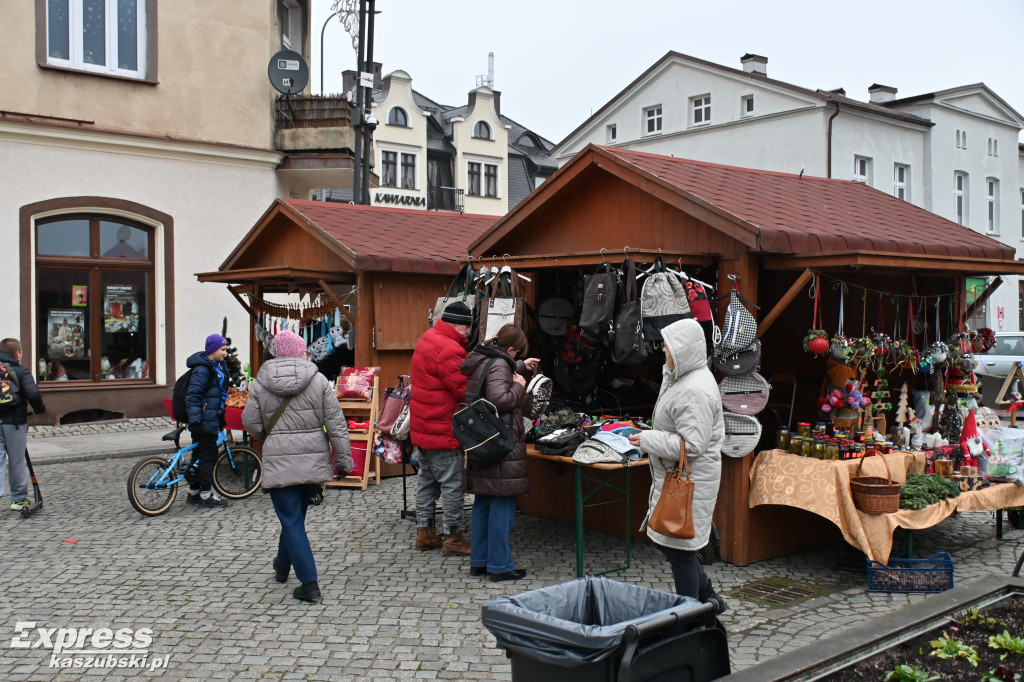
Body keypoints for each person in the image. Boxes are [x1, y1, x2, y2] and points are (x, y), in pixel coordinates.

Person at [242, 330, 351, 604]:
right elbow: (336, 424)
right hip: (312, 461)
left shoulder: (261, 383)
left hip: (279, 461)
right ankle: (282, 566)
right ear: (301, 351)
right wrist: (344, 462)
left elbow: (250, 423)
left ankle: (309, 584)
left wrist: (272, 437)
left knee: (291, 520)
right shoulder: (319, 380)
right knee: (294, 519)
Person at [628, 318, 727, 613]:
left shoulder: (693, 389)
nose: (663, 351)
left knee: (679, 551)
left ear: (683, 350)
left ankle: (689, 616)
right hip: (684, 477)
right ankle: (710, 601)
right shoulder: (683, 377)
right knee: (675, 547)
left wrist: (648, 439)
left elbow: (693, 445)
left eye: (668, 347)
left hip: (689, 481)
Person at [459, 324, 539, 582]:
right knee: (502, 502)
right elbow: (499, 400)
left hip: (482, 440)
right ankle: (499, 566)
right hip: (501, 441)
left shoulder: (482, 358)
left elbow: (493, 375)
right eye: (517, 354)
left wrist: (521, 366)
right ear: (511, 348)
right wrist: (519, 385)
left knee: (484, 501)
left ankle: (479, 562)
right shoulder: (501, 364)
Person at [409, 300, 474, 555]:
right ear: (459, 325)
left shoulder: (428, 338)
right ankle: (453, 537)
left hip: (424, 428)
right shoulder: (449, 348)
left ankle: (424, 532)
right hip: (443, 429)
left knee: (426, 482)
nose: (468, 333)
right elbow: (464, 391)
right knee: (452, 484)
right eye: (467, 328)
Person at [184, 333, 231, 508]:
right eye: (223, 349)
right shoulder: (203, 369)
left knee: (198, 457)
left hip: (211, 417)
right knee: (207, 457)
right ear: (212, 350)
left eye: (226, 349)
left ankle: (194, 493)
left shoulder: (217, 366)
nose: (226, 353)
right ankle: (205, 495)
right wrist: (196, 420)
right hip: (204, 421)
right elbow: (193, 396)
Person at [0, 338, 46, 511]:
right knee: (16, 460)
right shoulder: (21, 370)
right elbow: (33, 393)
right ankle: (18, 499)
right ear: (17, 353)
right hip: (15, 422)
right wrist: (40, 410)